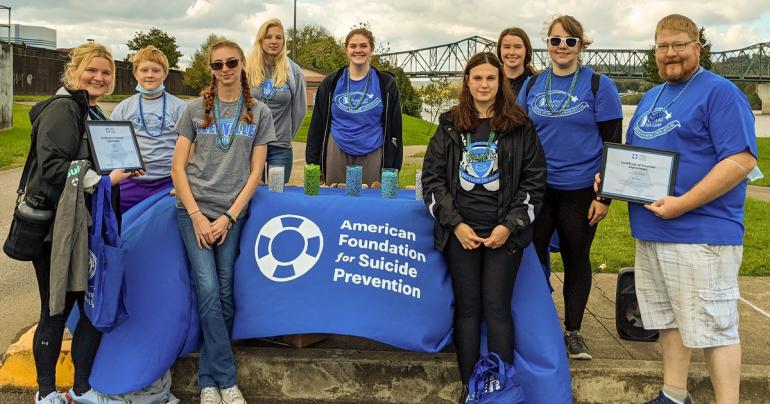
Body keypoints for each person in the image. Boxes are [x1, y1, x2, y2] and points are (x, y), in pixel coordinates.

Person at [600, 14, 757, 404]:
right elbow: (637, 159)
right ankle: (673, 395)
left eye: (678, 45)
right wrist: (611, 179)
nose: (670, 53)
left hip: (700, 233)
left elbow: (741, 160)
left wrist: (683, 203)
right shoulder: (653, 96)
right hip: (653, 230)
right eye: (662, 46)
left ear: (697, 47)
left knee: (715, 327)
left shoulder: (720, 92)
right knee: (667, 321)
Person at [422, 52, 546, 402]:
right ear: (467, 82)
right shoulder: (449, 123)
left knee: (496, 307)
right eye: (477, 78)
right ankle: (469, 387)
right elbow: (431, 182)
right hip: (461, 233)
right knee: (468, 308)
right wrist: (456, 224)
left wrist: (509, 226)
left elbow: (534, 183)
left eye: (491, 78)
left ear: (500, 82)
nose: (484, 85)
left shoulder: (520, 125)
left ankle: (500, 387)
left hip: (503, 235)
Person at [24, 42, 135, 404]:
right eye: (92, 70)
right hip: (57, 231)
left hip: (87, 227)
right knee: (57, 309)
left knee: (90, 307)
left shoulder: (95, 114)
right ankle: (46, 394)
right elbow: (54, 167)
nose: (99, 77)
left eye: (106, 72)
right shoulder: (62, 110)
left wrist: (121, 166)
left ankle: (81, 388)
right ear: (74, 70)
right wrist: (105, 179)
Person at [171, 39, 276, 404]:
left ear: (243, 64)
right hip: (194, 210)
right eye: (218, 64)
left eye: (232, 62)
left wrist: (230, 216)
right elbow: (177, 168)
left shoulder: (259, 112)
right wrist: (198, 216)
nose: (225, 69)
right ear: (210, 69)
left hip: (232, 213)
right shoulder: (194, 109)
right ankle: (227, 381)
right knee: (209, 289)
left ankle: (206, 379)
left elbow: (256, 172)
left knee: (226, 293)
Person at [516, 15, 623, 360]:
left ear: (581, 45)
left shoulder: (598, 85)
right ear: (546, 45)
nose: (562, 47)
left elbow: (613, 143)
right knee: (531, 257)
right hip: (538, 189)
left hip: (580, 191)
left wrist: (604, 196)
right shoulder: (532, 86)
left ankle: (573, 331)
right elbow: (518, 135)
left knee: (577, 259)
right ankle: (536, 323)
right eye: (555, 40)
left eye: (570, 41)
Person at [306, 27, 402, 185]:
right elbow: (317, 124)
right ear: (346, 50)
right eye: (353, 46)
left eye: (364, 46)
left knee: (370, 204)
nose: (358, 50)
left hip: (373, 152)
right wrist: (313, 162)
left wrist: (394, 166)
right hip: (336, 150)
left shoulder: (386, 84)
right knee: (335, 203)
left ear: (371, 49)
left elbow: (396, 127)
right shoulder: (331, 82)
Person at [110, 45, 187, 212]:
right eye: (144, 70)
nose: (150, 75)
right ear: (135, 73)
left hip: (168, 182)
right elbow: (113, 145)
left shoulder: (180, 108)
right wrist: (126, 162)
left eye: (156, 70)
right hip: (132, 181)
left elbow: (191, 148)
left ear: (165, 73)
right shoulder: (124, 108)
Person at [246, 19, 307, 184]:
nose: (274, 41)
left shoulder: (292, 71)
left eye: (278, 37)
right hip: (250, 145)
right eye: (268, 37)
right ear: (261, 40)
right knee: (249, 193)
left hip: (280, 148)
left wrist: (286, 135)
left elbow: (300, 110)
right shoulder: (246, 68)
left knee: (276, 192)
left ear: (284, 41)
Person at [496, 27, 536, 97]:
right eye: (507, 47)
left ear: (526, 50)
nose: (511, 52)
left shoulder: (537, 83)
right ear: (500, 50)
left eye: (517, 47)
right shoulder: (491, 80)